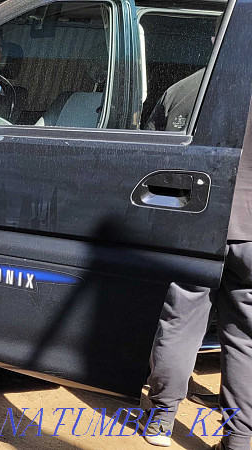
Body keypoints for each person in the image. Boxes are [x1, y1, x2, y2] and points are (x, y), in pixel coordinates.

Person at [141, 20, 252, 449]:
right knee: (244, 338)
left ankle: (161, 420)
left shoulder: (185, 90)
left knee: (181, 320)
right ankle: (239, 439)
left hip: (197, 224)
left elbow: (154, 155)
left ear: (218, 40)